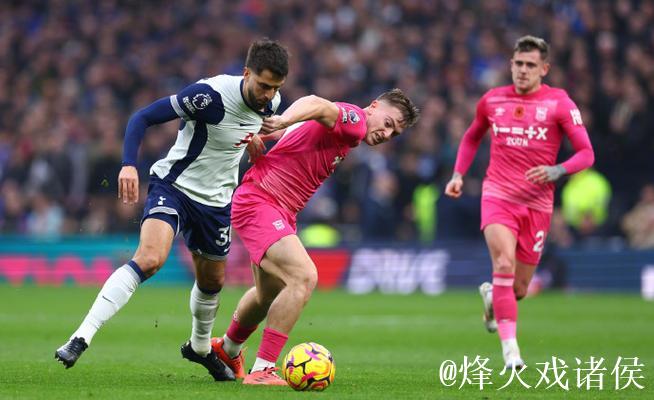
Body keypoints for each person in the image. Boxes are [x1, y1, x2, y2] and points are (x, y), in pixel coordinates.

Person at [54, 39, 289, 381]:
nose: (269, 94)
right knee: (150, 259)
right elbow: (142, 117)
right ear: (246, 73)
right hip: (174, 187)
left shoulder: (272, 103)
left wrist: (252, 138)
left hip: (217, 202)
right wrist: (128, 165)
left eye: (275, 88)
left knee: (212, 281)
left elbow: (245, 126)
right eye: (264, 85)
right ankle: (80, 337)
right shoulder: (209, 96)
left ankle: (200, 348)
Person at [208, 89, 419, 385]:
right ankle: (263, 369)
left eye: (394, 133)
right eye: (387, 123)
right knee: (303, 277)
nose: (386, 134)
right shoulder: (355, 121)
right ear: (373, 107)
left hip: (274, 206)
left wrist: (269, 133)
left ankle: (228, 349)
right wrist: (282, 120)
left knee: (268, 293)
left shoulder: (346, 132)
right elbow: (316, 102)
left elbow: (304, 125)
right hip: (263, 201)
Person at [444, 35, 594, 369]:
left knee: (520, 288)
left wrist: (558, 170)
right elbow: (471, 136)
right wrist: (458, 174)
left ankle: (492, 298)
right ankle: (511, 352)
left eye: (530, 65)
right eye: (518, 64)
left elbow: (587, 153)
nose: (523, 70)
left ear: (544, 69)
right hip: (498, 195)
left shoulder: (559, 103)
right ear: (511, 65)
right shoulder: (492, 100)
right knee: (503, 264)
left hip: (538, 205)